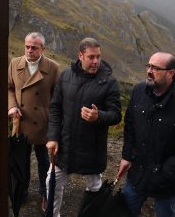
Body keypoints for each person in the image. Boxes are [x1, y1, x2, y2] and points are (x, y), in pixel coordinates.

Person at [117, 52, 175, 217]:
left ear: (171, 73)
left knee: (165, 212)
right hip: (138, 174)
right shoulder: (138, 91)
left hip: (166, 182)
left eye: (156, 68)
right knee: (125, 211)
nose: (149, 71)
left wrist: (166, 172)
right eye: (149, 66)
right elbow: (129, 125)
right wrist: (127, 156)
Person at [46, 37, 122, 217]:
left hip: (92, 147)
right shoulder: (65, 76)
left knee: (95, 187)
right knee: (52, 182)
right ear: (80, 55)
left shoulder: (109, 82)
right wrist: (52, 137)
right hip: (65, 145)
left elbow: (116, 115)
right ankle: (53, 215)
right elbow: (55, 108)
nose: (96, 61)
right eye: (91, 57)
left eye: (98, 57)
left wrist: (99, 116)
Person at [8, 32, 60, 211]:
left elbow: (57, 98)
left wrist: (54, 122)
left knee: (44, 162)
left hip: (43, 124)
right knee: (20, 160)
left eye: (34, 48)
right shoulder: (15, 63)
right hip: (20, 122)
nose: (29, 50)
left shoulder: (53, 68)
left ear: (42, 49)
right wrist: (12, 106)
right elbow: (9, 88)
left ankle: (45, 194)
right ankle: (20, 192)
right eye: (27, 47)